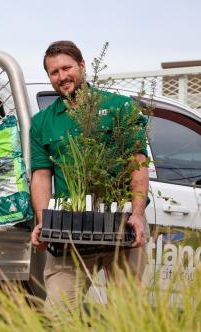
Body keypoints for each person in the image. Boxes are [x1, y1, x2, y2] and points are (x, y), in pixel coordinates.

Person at [29, 41, 149, 309]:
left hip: (120, 224)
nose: (61, 77)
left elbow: (138, 162)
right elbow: (41, 175)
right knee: (58, 315)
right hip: (67, 230)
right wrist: (43, 222)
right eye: (54, 72)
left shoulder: (119, 107)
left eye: (66, 68)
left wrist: (138, 214)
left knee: (126, 316)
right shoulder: (42, 122)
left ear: (82, 66)